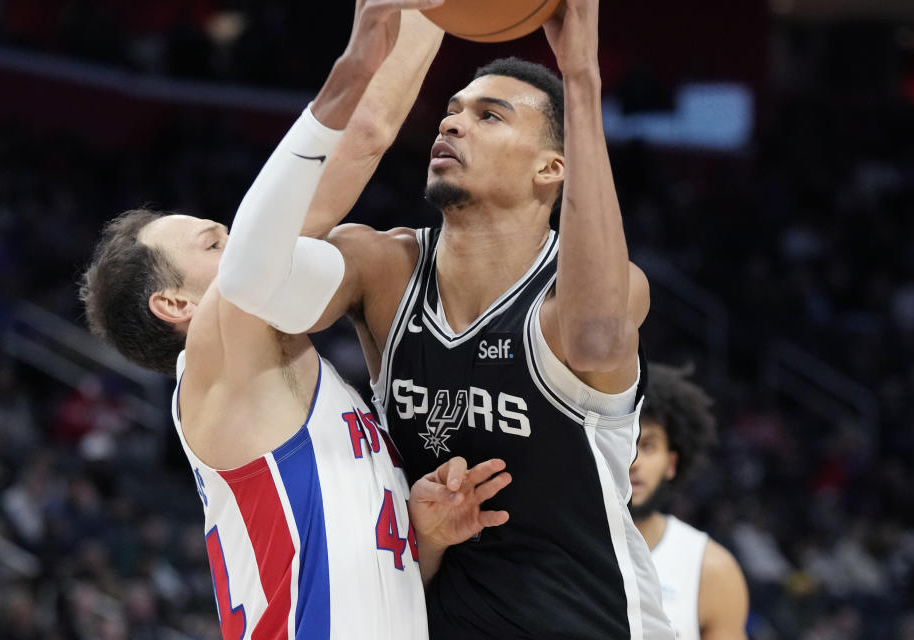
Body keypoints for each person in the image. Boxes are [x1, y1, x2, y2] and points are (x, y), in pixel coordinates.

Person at [79, 4, 513, 639]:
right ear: (177, 305)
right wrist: (380, 44)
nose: (239, 246)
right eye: (212, 243)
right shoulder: (216, 348)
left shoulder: (301, 389)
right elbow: (366, 131)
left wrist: (419, 536)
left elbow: (345, 592)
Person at [304, 0, 675, 636]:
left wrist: (582, 81)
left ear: (551, 167)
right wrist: (380, 53)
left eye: (488, 116)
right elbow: (261, 279)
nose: (453, 125)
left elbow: (595, 336)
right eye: (451, 111)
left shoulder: (584, 299)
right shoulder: (383, 269)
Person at [629, 363, 750, 640]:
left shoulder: (711, 570)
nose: (633, 461)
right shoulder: (555, 548)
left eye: (647, 446)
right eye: (624, 442)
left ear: (671, 463)